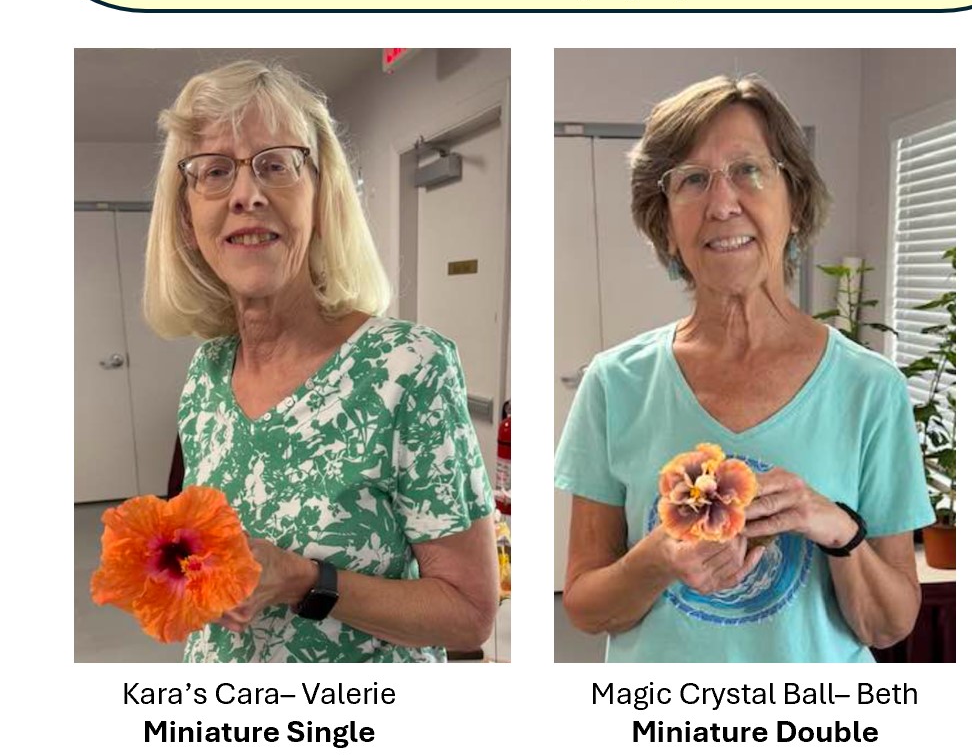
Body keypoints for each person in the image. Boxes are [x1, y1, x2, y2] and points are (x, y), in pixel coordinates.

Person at [556, 75, 931, 660]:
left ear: (795, 198)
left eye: (748, 171)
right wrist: (659, 558)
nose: (722, 203)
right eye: (693, 180)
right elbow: (584, 604)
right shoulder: (614, 383)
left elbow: (889, 626)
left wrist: (835, 528)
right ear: (665, 220)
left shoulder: (869, 388)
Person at [141, 62, 497, 661]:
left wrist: (308, 581)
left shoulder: (407, 366)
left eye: (276, 165)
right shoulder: (206, 374)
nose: (247, 194)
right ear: (186, 216)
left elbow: (468, 615)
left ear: (321, 196)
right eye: (215, 171)